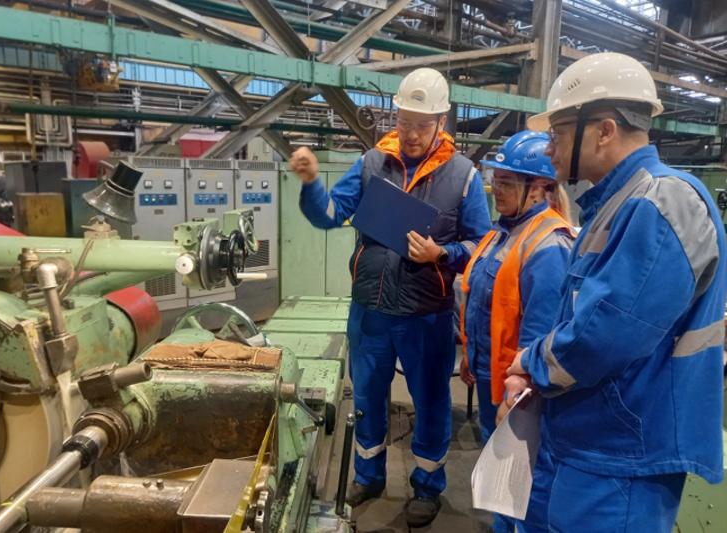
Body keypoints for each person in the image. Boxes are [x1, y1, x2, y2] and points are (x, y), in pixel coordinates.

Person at [504, 52, 726, 532]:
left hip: (624, 458)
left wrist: (531, 363)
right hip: (592, 442)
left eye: (558, 135)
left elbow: (605, 334)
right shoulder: (616, 205)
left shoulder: (662, 202)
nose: (549, 150)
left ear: (604, 131)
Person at [290, 67, 491, 527]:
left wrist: (443, 253)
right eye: (404, 122)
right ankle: (369, 475)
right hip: (370, 312)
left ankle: (427, 487)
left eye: (422, 125)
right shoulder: (370, 163)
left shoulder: (463, 176)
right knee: (366, 395)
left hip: (426, 316)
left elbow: (482, 245)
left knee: (431, 402)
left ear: (441, 122)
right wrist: (311, 183)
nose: (411, 134)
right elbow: (329, 214)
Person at [459, 131, 575, 533]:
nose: (497, 189)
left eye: (508, 182)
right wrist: (470, 355)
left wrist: (519, 394)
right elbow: (482, 300)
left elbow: (540, 332)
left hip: (519, 388)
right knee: (502, 478)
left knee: (521, 483)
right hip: (490, 374)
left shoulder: (548, 245)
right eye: (496, 179)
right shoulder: (501, 232)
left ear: (539, 189)